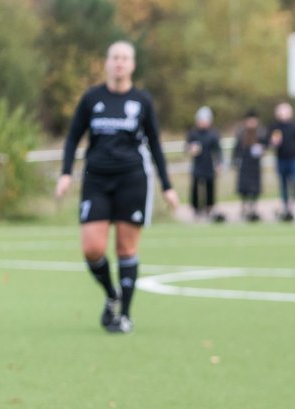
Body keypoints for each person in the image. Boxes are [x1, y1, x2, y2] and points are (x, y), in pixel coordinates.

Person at [54, 40, 178, 334]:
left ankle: (125, 314)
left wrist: (167, 186)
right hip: (96, 180)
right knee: (92, 248)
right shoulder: (91, 98)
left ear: (132, 65)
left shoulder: (142, 101)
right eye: (114, 57)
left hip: (132, 180)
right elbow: (73, 137)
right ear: (107, 63)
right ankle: (112, 294)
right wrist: (65, 173)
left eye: (125, 58)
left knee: (126, 248)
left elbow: (156, 144)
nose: (119, 62)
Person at [270, 102, 295, 221]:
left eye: (286, 111)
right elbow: (270, 142)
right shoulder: (275, 127)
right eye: (281, 111)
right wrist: (272, 143)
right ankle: (286, 208)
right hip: (281, 159)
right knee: (283, 184)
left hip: (294, 159)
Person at [186, 106, 224, 222]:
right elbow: (187, 147)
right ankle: (196, 209)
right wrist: (191, 149)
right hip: (197, 165)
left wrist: (219, 164)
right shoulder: (193, 133)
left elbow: (218, 151)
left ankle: (209, 208)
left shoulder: (213, 134)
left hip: (209, 165)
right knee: (195, 188)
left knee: (210, 187)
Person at [233, 109, 266, 222]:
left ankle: (253, 209)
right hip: (244, 163)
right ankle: (244, 208)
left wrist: (262, 149)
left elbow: (265, 145)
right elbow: (236, 148)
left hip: (255, 164)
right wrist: (235, 160)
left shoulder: (260, 133)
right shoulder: (241, 133)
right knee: (244, 187)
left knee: (255, 188)